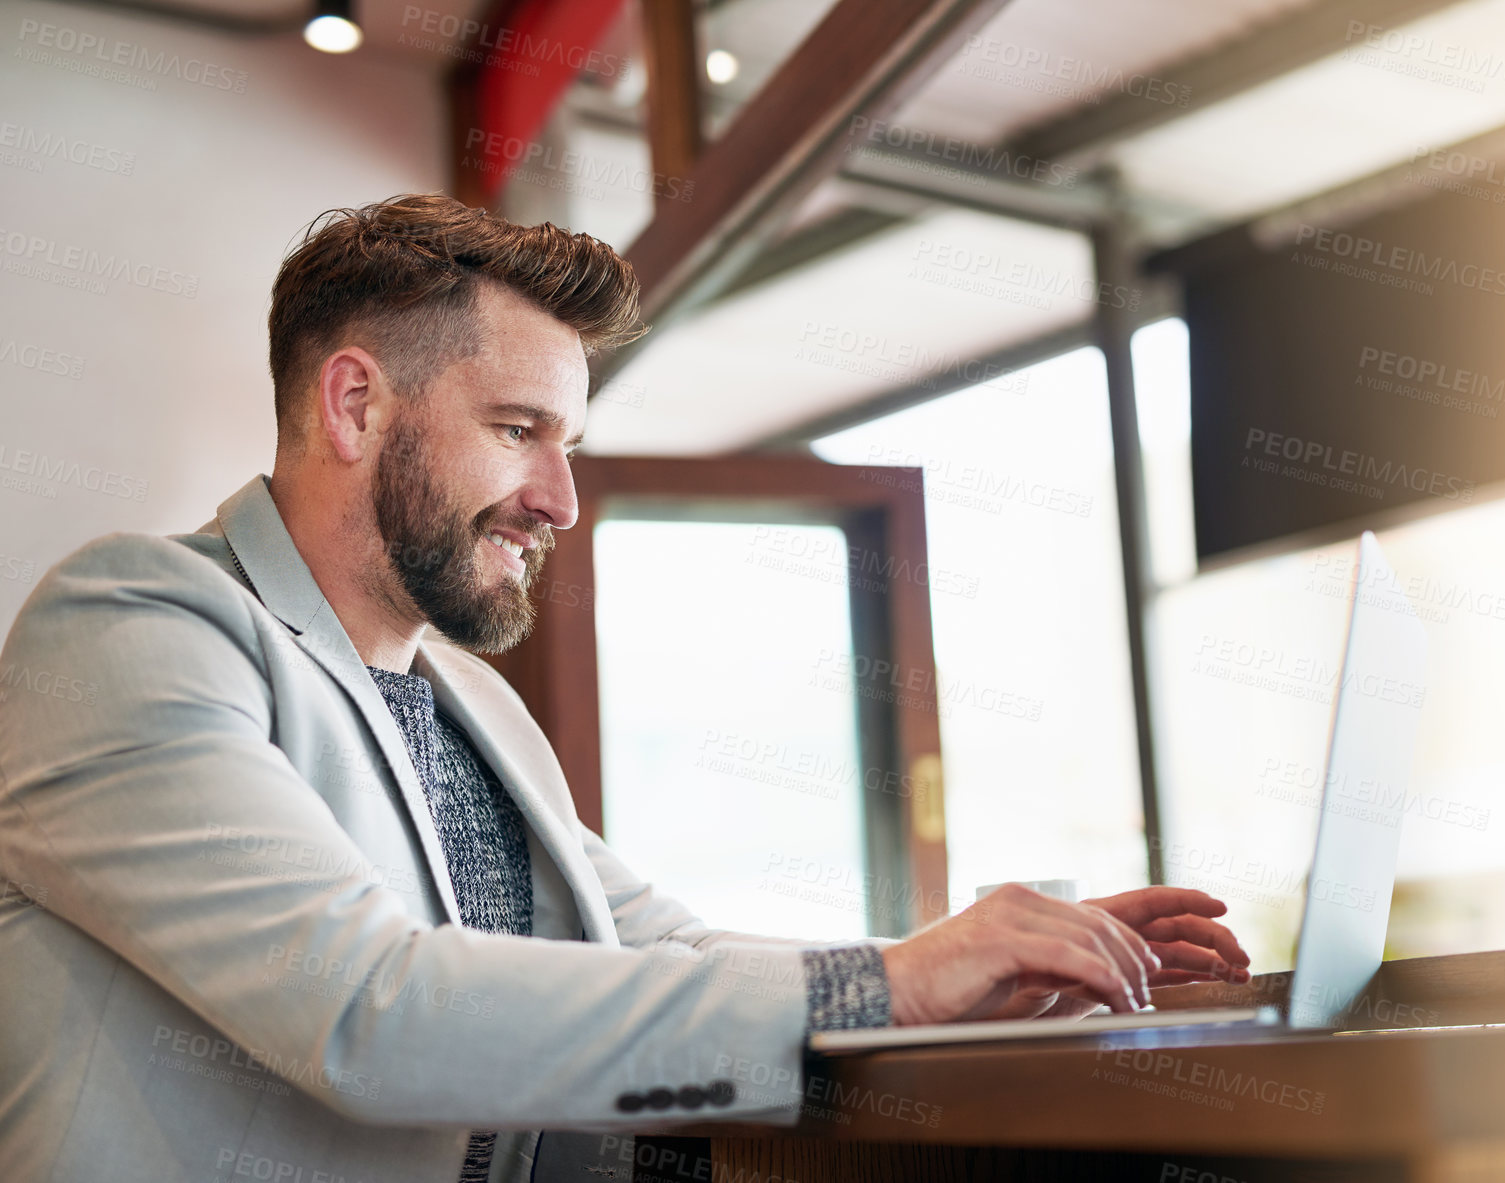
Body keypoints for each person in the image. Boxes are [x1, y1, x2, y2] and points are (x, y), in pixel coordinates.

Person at [0, 194, 1250, 1183]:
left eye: (569, 444)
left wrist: (964, 975)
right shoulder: (134, 625)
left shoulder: (472, 708)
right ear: (355, 402)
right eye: (516, 429)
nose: (560, 500)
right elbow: (366, 1011)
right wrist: (888, 987)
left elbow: (671, 950)